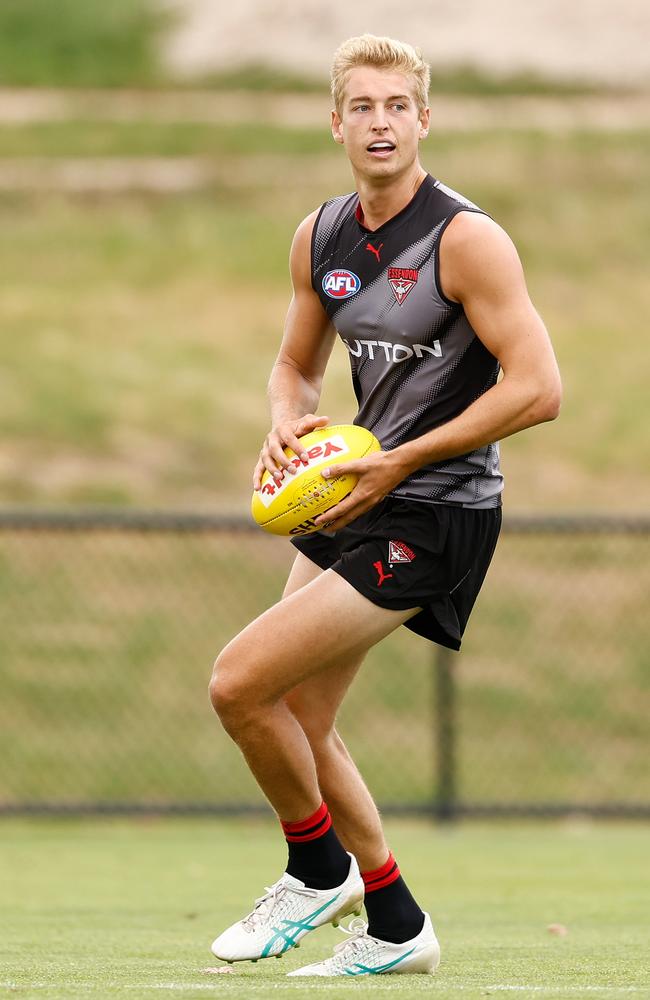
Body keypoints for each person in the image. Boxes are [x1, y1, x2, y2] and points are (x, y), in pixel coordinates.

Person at [209, 33, 561, 978]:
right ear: (336, 122)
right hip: (362, 492)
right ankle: (398, 925)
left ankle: (316, 868)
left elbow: (538, 388)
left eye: (397, 106)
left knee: (240, 686)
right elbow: (294, 366)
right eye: (361, 106)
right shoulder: (321, 236)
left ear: (424, 120)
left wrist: (398, 462)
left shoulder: (465, 238)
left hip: (439, 507)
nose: (380, 122)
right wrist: (287, 423)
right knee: (300, 719)